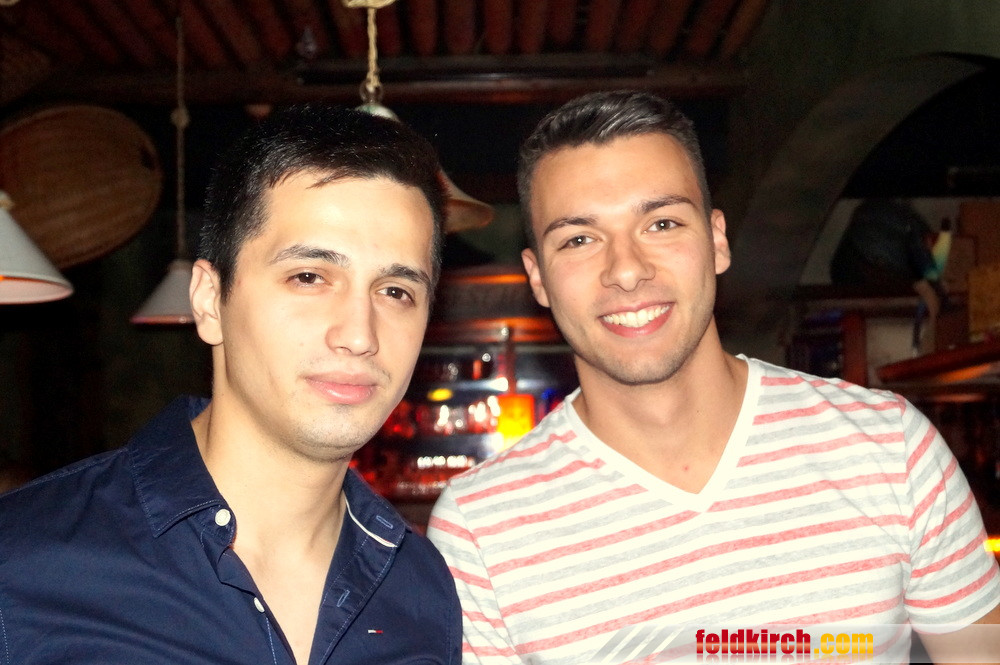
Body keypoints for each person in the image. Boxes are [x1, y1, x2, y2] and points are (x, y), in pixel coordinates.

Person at [427, 91, 1000, 664]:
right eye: (579, 239)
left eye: (662, 223)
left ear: (717, 240)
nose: (626, 270)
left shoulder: (891, 449)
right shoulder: (480, 529)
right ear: (538, 278)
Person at [0, 104, 461, 664]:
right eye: (309, 277)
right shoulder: (23, 562)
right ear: (208, 301)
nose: (359, 335)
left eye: (396, 291)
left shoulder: (422, 586)